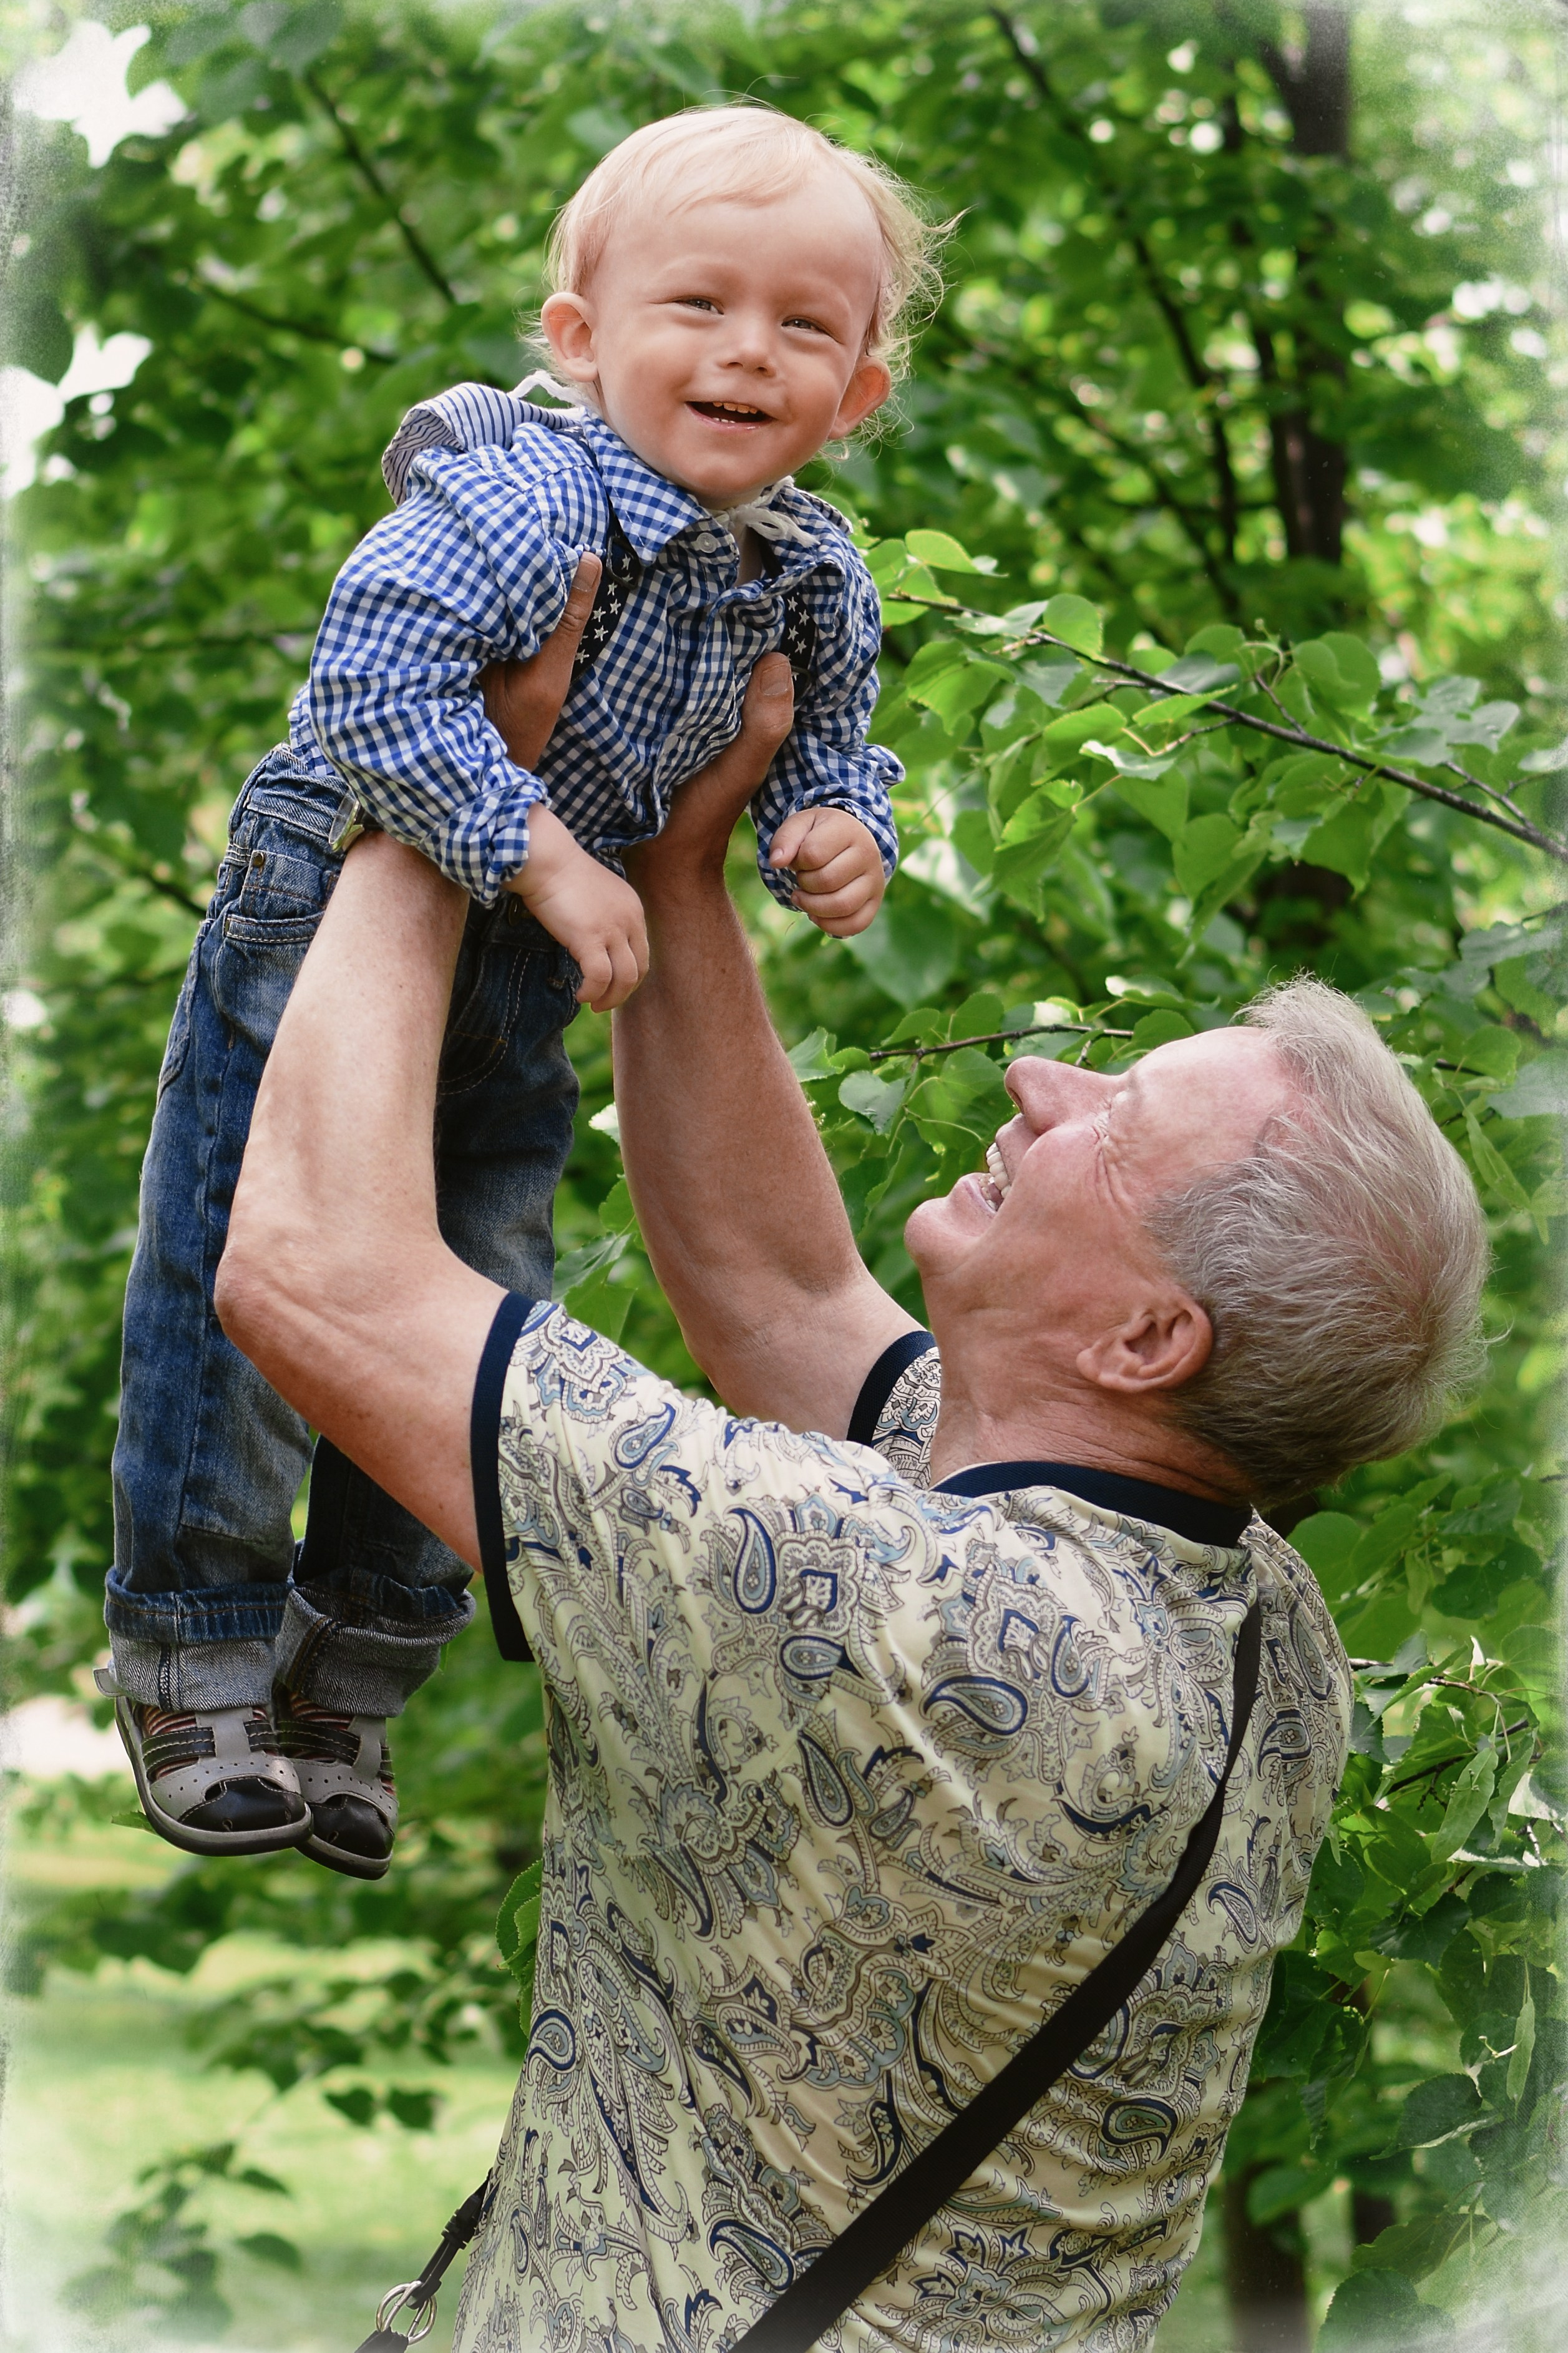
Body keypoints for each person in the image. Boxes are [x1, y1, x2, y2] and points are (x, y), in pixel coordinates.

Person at [215, 644, 1488, 2349]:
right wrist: (676, 859)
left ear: (1143, 1333)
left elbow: (311, 1269)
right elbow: (778, 1293)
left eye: (1110, 1128)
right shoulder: (1242, 1616)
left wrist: (445, 775)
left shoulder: (913, 1619)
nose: (1042, 1085)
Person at [103, 104, 938, 1877]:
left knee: (488, 1284)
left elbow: (829, 758)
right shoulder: (527, 493)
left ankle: (353, 1672)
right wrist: (538, 845)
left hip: (535, 972)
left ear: (858, 390)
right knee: (243, 1259)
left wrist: (833, 834)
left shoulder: (814, 573)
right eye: (695, 303)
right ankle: (192, 1642)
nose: (744, 351)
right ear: (577, 337)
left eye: (804, 326)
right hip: (343, 888)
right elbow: (369, 681)